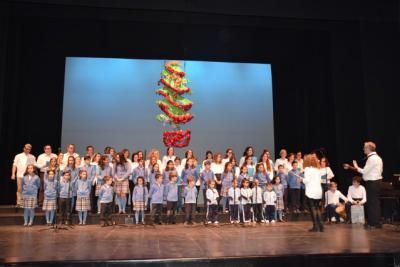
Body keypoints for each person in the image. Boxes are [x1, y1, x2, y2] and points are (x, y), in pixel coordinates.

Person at [344, 141, 383, 229]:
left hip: (373, 183)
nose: (363, 149)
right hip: (375, 182)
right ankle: (376, 222)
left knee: (372, 203)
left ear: (369, 148)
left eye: (364, 147)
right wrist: (353, 167)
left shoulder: (372, 159)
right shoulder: (376, 157)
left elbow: (364, 171)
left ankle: (373, 223)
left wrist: (356, 166)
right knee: (375, 203)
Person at [301, 154, 323, 232]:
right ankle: (321, 226)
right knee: (317, 209)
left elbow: (306, 180)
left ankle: (315, 227)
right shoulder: (318, 170)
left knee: (313, 209)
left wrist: (301, 179)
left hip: (311, 191)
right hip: (318, 191)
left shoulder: (307, 169)